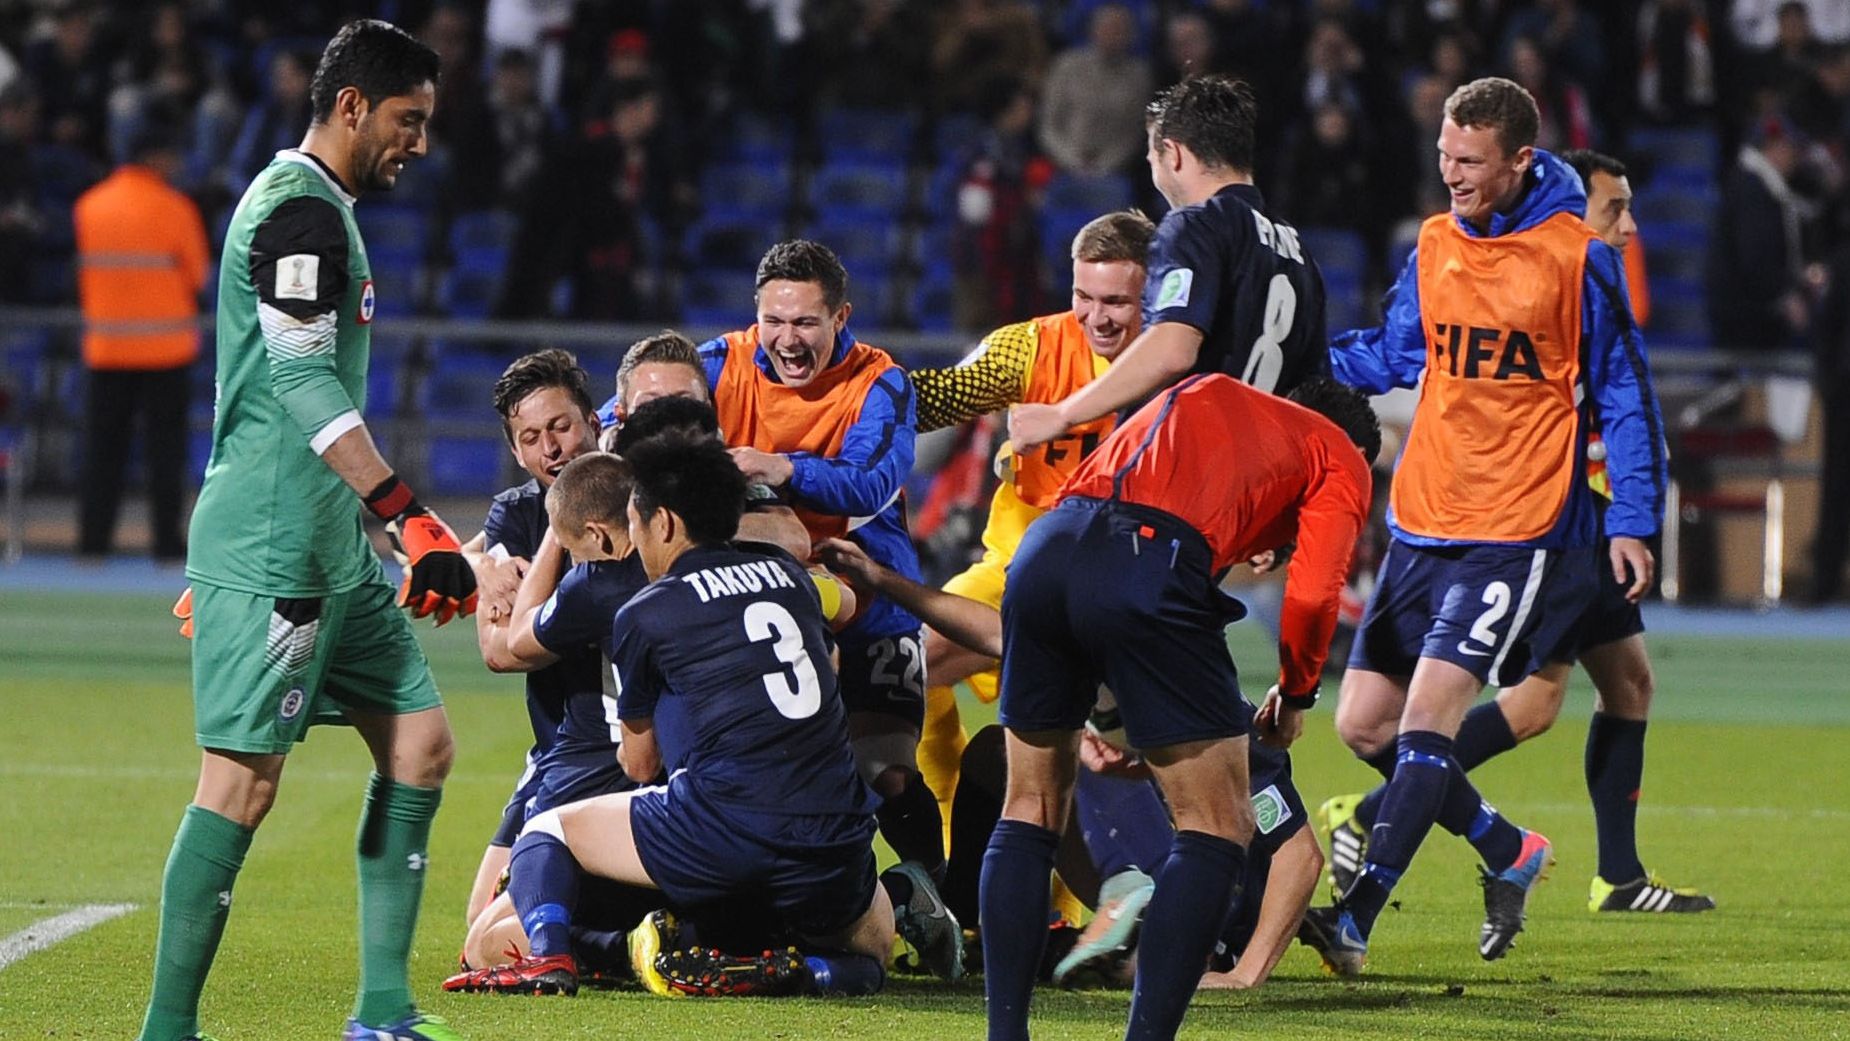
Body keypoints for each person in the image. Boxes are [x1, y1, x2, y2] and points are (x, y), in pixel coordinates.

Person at [139, 22, 473, 1041]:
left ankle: (382, 1012)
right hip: (280, 548)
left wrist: (364, 534)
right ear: (351, 106)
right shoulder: (298, 213)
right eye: (408, 120)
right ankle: (166, 1031)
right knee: (241, 787)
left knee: (420, 745)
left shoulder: (324, 211)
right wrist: (407, 515)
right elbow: (297, 377)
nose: (419, 143)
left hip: (328, 550)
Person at [1303, 78, 1668, 977]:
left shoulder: (1578, 258)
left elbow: (1625, 392)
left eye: (1469, 161)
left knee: (1429, 720)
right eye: (1444, 157)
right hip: (1423, 518)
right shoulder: (1434, 244)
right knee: (1364, 726)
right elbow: (1394, 354)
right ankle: (1509, 847)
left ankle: (1355, 918)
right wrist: (1293, 361)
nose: (1452, 174)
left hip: (1515, 524)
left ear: (1520, 160)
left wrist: (1632, 518)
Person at [980, 373, 1379, 1041]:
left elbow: (1106, 537)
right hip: (1149, 560)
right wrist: (1297, 691)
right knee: (1219, 825)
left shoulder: (1206, 393)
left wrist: (1108, 708)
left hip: (1045, 551)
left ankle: (1005, 1033)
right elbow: (1313, 595)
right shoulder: (1338, 452)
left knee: (1029, 808)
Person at [819, 535, 1327, 991]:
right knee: (997, 752)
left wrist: (1244, 975)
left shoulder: (1205, 709)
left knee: (1070, 746)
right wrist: (880, 578)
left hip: (1205, 926)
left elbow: (1300, 857)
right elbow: (989, 632)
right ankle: (967, 915)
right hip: (1149, 876)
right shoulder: (1100, 651)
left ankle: (1129, 916)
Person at [496, 433, 897, 999]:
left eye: (635, 520)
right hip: (836, 846)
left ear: (661, 523)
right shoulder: (791, 578)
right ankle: (811, 972)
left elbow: (640, 766)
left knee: (546, 830)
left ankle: (555, 957)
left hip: (725, 840)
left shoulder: (647, 609)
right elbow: (828, 665)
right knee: (875, 946)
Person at [679, 240, 962, 978]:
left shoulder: (881, 382)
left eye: (806, 321)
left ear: (841, 316)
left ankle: (932, 895)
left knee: (887, 771)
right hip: (757, 605)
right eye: (774, 320)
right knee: (757, 768)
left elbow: (870, 483)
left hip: (868, 605)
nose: (788, 339)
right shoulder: (716, 364)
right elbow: (632, 418)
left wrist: (779, 466)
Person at [908, 208, 1155, 839]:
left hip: (1125, 590)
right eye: (1083, 296)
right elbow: (944, 394)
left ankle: (1094, 891)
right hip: (1015, 571)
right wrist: (856, 388)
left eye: (1116, 302)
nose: (1096, 317)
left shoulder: (1182, 368)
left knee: (1122, 760)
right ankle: (949, 833)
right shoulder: (1029, 347)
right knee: (910, 667)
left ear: (1154, 294)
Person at [1009, 74, 1327, 455]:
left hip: (1194, 463)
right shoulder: (1299, 252)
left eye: (1151, 154)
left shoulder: (1195, 225)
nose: (1150, 164)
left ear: (1173, 154)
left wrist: (1063, 414)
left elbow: (1173, 350)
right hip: (1267, 468)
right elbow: (1314, 387)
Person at [456, 349, 602, 928]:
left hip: (641, 743)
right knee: (483, 931)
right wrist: (478, 564)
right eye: (532, 438)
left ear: (592, 420)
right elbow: (498, 651)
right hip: (558, 746)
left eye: (561, 427)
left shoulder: (638, 500)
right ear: (516, 452)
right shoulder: (515, 515)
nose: (551, 449)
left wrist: (544, 613)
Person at [73, 113, 210, 561]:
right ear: (156, 158)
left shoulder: (89, 206)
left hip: (106, 350)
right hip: (167, 352)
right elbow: (198, 275)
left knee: (102, 453)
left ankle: (92, 544)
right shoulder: (176, 208)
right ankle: (166, 546)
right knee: (165, 455)